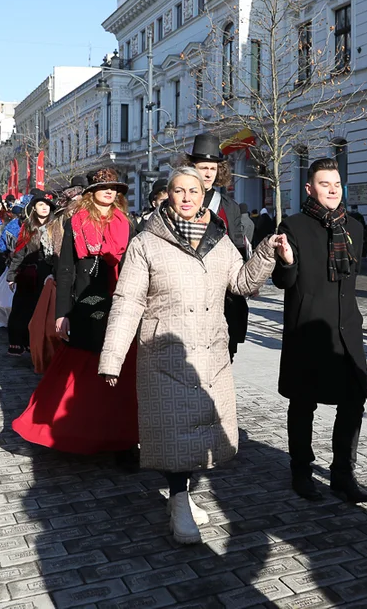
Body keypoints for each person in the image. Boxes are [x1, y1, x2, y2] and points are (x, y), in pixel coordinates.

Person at [98, 167, 286, 544]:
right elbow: (127, 301)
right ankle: (180, 501)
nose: (186, 197)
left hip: (210, 351)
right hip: (163, 351)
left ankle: (180, 496)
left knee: (198, 431)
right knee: (173, 432)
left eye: (194, 191)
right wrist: (112, 357)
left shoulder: (219, 240)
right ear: (167, 195)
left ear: (204, 195)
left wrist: (267, 252)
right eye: (179, 191)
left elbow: (242, 283)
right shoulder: (146, 243)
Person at [12, 169, 138, 453]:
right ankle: (72, 432)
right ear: (91, 192)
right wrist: (61, 313)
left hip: (120, 301)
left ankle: (125, 440)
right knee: (80, 371)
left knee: (122, 371)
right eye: (103, 187)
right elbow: (65, 270)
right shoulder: (75, 222)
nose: (110, 192)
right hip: (83, 302)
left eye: (114, 188)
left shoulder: (126, 223)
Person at [273, 158, 367, 504]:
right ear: (309, 188)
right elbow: (285, 281)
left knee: (353, 402)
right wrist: (285, 261)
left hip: (346, 330)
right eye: (325, 184)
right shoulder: (294, 226)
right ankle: (301, 470)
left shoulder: (354, 228)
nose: (332, 189)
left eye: (337, 184)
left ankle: (343, 473)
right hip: (309, 330)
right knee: (303, 404)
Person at [183, 133, 249, 361]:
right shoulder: (178, 202)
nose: (209, 173)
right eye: (203, 167)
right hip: (186, 293)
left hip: (222, 296)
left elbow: (238, 246)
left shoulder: (229, 205)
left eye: (213, 167)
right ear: (192, 168)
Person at [5, 190, 59, 356]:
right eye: (40, 205)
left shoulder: (56, 225)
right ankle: (19, 342)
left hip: (49, 274)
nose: (44, 208)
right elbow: (19, 252)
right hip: (28, 274)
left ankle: (37, 344)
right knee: (22, 309)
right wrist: (12, 275)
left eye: (47, 205)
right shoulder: (28, 226)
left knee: (42, 311)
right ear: (34, 207)